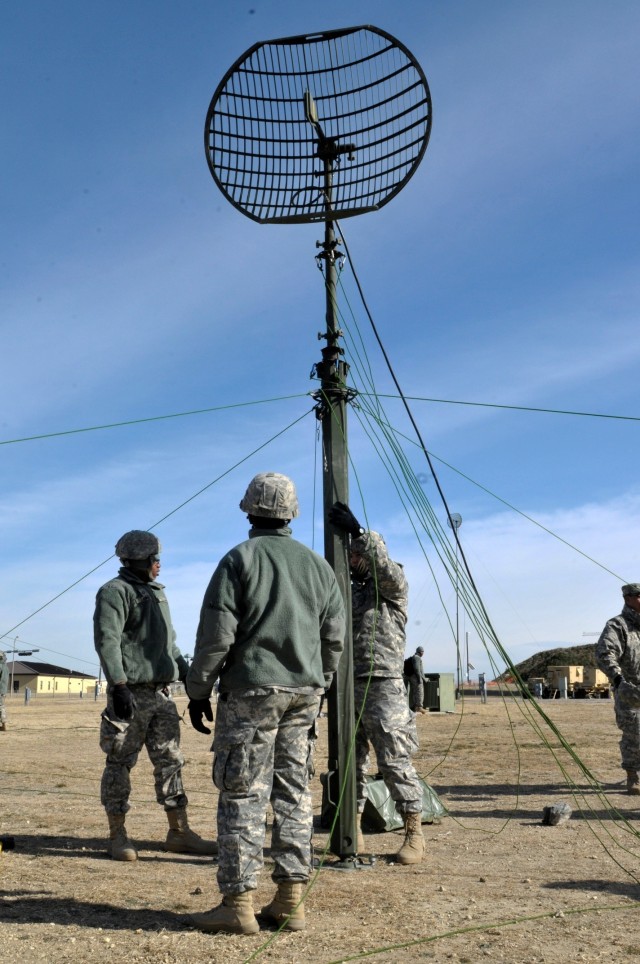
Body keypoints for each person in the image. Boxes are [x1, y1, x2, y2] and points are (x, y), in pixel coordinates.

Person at [186, 472, 345, 936]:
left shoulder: (240, 559)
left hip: (253, 693)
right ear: (292, 513)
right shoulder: (318, 567)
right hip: (304, 693)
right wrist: (319, 682)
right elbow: (333, 639)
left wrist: (198, 691)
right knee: (294, 792)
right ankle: (290, 900)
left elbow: (216, 637)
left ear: (248, 510)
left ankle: (238, 904)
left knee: (243, 794)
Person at [93, 529, 216, 861]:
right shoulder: (114, 592)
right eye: (153, 559)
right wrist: (118, 685)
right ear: (137, 561)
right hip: (129, 695)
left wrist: (195, 688)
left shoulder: (158, 594)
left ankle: (179, 833)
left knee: (170, 762)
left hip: (161, 696)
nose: (158, 565)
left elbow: (171, 647)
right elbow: (108, 640)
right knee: (119, 763)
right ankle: (117, 835)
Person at [328, 501, 425, 865]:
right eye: (350, 556)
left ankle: (414, 831)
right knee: (351, 762)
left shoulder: (392, 586)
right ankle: (352, 828)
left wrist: (358, 533)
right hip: (346, 684)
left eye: (358, 555)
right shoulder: (346, 590)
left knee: (395, 761)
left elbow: (384, 569)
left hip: (383, 685)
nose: (353, 561)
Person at [595, 583, 640, 796]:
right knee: (634, 734)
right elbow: (605, 653)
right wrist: (618, 679)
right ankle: (634, 776)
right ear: (628, 598)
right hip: (631, 691)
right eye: (639, 596)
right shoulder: (618, 625)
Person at [406, 646, 426, 714]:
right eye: (422, 652)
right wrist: (419, 678)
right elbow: (417, 669)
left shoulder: (414, 657)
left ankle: (415, 706)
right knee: (419, 691)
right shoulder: (417, 658)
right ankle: (419, 707)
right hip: (415, 677)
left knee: (415, 691)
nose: (423, 653)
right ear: (420, 652)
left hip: (412, 676)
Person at [0, 650, 8, 731]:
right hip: (3, 691)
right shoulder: (6, 667)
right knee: (2, 707)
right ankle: (4, 724)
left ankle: (3, 725)